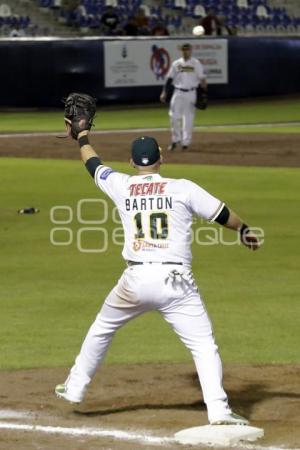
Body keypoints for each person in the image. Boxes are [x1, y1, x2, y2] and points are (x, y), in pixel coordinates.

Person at [55, 114, 261, 426]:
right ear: (160, 158)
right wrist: (244, 230)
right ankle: (218, 410)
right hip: (177, 285)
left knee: (102, 328)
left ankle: (75, 387)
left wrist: (81, 136)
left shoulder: (121, 185)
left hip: (135, 281)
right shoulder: (183, 188)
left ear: (131, 162)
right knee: (204, 346)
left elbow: (93, 165)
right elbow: (221, 214)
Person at [160, 43, 207, 151]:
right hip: (178, 92)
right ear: (181, 51)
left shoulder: (196, 63)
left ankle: (185, 143)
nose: (186, 51)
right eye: (184, 50)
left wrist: (204, 93)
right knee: (174, 117)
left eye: (187, 50)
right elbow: (169, 79)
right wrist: (164, 92)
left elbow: (202, 79)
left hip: (191, 93)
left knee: (188, 119)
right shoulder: (176, 64)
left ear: (191, 51)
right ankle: (175, 140)